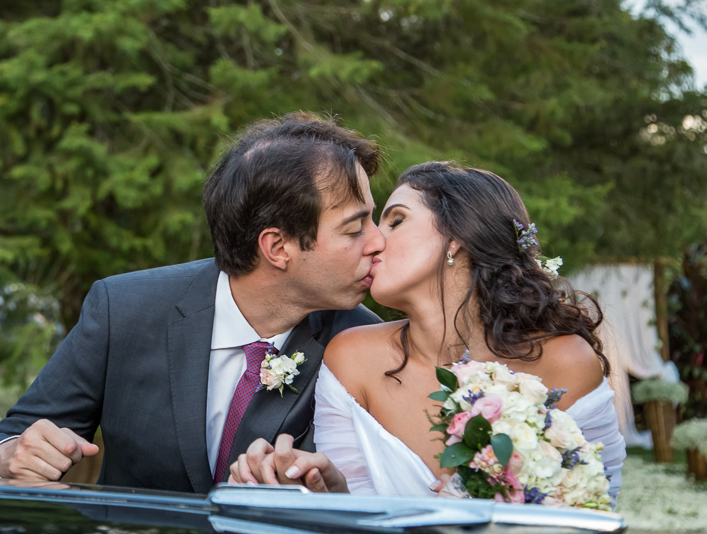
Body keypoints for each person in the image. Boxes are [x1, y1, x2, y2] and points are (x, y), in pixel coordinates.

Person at [0, 112, 385, 493]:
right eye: (355, 229)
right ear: (277, 247)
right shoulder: (124, 310)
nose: (379, 241)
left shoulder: (363, 342)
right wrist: (9, 456)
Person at [230, 161, 626, 501]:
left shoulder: (564, 362)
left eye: (396, 220)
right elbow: (353, 514)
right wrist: (320, 489)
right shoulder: (352, 358)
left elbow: (591, 502)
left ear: (457, 237)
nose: (373, 240)